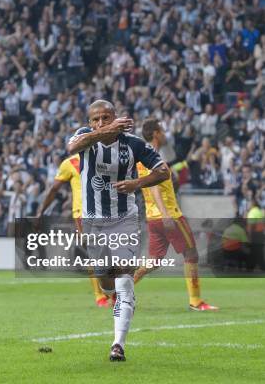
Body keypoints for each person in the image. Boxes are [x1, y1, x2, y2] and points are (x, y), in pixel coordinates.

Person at [67, 100, 169, 362]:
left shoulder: (133, 144)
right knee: (105, 281)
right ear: (89, 122)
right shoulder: (84, 137)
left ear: (114, 116)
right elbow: (71, 147)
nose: (100, 122)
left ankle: (118, 344)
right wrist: (107, 130)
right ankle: (118, 298)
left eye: (106, 117)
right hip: (93, 220)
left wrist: (138, 182)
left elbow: (163, 171)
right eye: (96, 119)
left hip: (125, 219)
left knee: (124, 280)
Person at [133, 119, 218, 311]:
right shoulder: (152, 156)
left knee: (153, 262)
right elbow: (154, 186)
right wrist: (165, 214)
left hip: (152, 217)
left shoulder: (141, 158)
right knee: (191, 254)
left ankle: (120, 292)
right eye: (162, 131)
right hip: (168, 214)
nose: (164, 134)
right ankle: (195, 301)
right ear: (155, 133)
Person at [36, 153, 110, 308]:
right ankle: (100, 296)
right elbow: (54, 189)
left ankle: (112, 292)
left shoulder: (103, 159)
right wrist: (41, 210)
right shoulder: (70, 163)